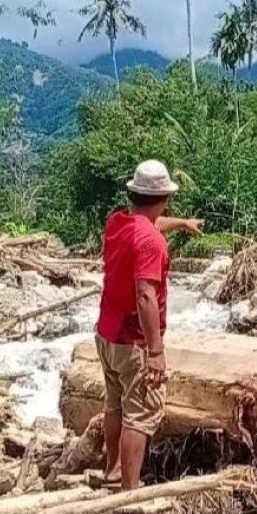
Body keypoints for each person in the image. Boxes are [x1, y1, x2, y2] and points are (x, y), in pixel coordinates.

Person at [95, 160, 200, 490]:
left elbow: (149, 223)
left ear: (133, 194)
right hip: (134, 340)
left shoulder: (118, 223)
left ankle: (113, 471)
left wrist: (182, 223)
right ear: (165, 197)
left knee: (115, 404)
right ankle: (129, 492)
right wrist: (155, 352)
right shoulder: (152, 243)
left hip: (107, 334)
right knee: (140, 415)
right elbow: (145, 295)